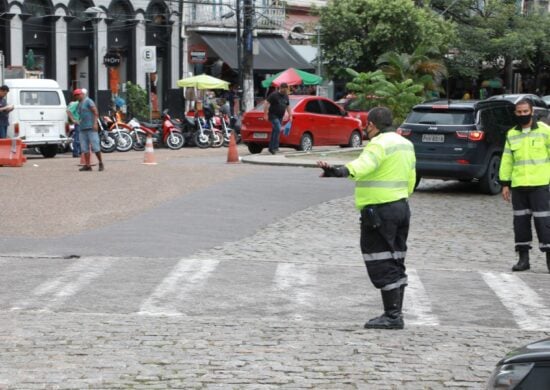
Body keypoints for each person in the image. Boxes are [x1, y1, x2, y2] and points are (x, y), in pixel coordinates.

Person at [317, 106, 416, 330]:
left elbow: (363, 166)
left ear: (371, 125)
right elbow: (412, 177)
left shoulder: (378, 144)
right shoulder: (406, 144)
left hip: (380, 211)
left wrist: (337, 171)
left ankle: (392, 317)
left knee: (380, 259)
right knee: (396, 258)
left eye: (367, 125)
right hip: (401, 207)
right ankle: (395, 313)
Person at [499, 98, 550, 273]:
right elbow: (507, 160)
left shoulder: (545, 131)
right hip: (519, 186)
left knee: (544, 223)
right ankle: (523, 259)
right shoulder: (512, 134)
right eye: (519, 112)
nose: (522, 115)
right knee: (520, 223)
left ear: (532, 112)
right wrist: (505, 184)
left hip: (540, 185)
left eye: (525, 111)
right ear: (515, 113)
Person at [75, 89, 104, 172]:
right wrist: (76, 120)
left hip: (91, 128)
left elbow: (95, 112)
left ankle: (100, 163)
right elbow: (78, 114)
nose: (76, 97)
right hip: (82, 128)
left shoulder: (88, 101)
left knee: (95, 147)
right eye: (75, 95)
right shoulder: (79, 104)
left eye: (78, 95)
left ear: (81, 94)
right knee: (84, 148)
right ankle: (88, 165)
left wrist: (95, 123)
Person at [263, 82, 292, 155]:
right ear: (281, 88)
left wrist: (290, 115)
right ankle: (275, 147)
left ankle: (271, 148)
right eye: (284, 90)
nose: (285, 92)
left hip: (280, 116)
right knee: (278, 129)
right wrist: (265, 114)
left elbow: (288, 106)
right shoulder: (274, 95)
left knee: (275, 131)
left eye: (286, 90)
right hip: (273, 115)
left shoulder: (286, 96)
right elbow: (266, 103)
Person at [66, 90, 81, 157]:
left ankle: (80, 152)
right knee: (77, 138)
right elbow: (68, 111)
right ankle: (76, 152)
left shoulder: (82, 103)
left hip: (82, 123)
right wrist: (73, 120)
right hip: (78, 123)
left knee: (81, 138)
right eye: (79, 94)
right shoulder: (76, 104)